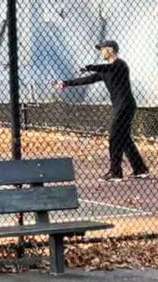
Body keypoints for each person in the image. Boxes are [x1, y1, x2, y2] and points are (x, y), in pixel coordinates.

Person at [54, 40, 149, 181]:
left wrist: (90, 66)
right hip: (120, 106)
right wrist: (66, 83)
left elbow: (108, 68)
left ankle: (115, 173)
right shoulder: (104, 70)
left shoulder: (120, 65)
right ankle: (140, 169)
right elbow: (88, 79)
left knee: (114, 137)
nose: (101, 52)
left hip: (126, 105)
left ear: (110, 49)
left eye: (102, 49)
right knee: (124, 139)